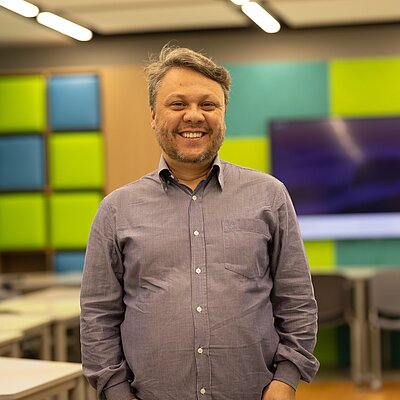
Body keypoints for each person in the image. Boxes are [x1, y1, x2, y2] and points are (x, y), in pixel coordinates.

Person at [80, 44, 319, 400]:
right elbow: (98, 315)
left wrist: (286, 381)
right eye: (178, 104)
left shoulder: (269, 196)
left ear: (224, 114)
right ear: (153, 115)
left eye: (208, 104)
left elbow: (296, 299)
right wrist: (115, 392)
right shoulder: (116, 210)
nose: (194, 116)